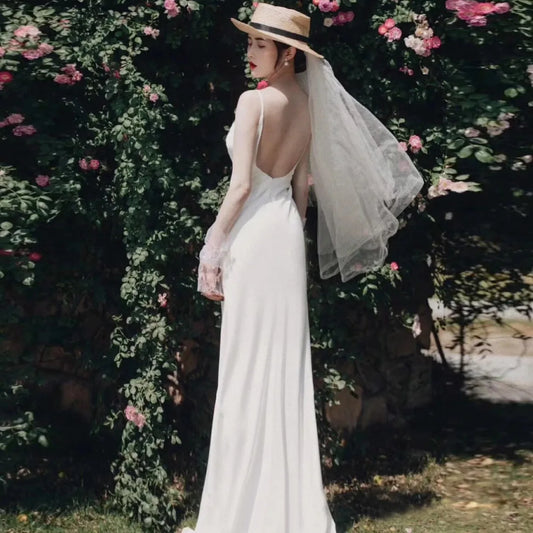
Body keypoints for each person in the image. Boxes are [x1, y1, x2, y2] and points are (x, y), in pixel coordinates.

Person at [192, 3, 423, 532]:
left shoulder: (255, 102)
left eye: (259, 44)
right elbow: (299, 194)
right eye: (249, 42)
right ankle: (286, 511)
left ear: (286, 52)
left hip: (253, 234)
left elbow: (241, 187)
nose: (249, 52)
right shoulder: (308, 104)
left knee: (246, 370)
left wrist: (213, 247)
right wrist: (285, 240)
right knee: (283, 370)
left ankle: (240, 516)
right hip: (285, 237)